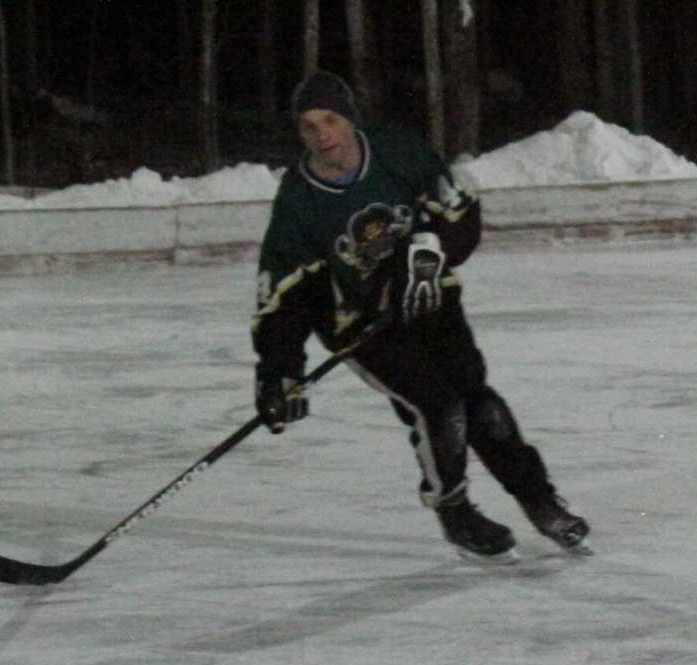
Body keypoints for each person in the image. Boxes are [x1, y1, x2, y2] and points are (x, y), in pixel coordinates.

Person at [251, 71, 588, 562]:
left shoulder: (398, 151)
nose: (322, 135)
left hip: (430, 301)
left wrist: (432, 246)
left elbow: (461, 213)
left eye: (330, 120)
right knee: (438, 407)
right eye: (308, 126)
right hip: (363, 327)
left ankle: (540, 501)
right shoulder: (299, 200)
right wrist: (279, 371)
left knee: (479, 405)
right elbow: (284, 292)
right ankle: (454, 511)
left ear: (351, 119)